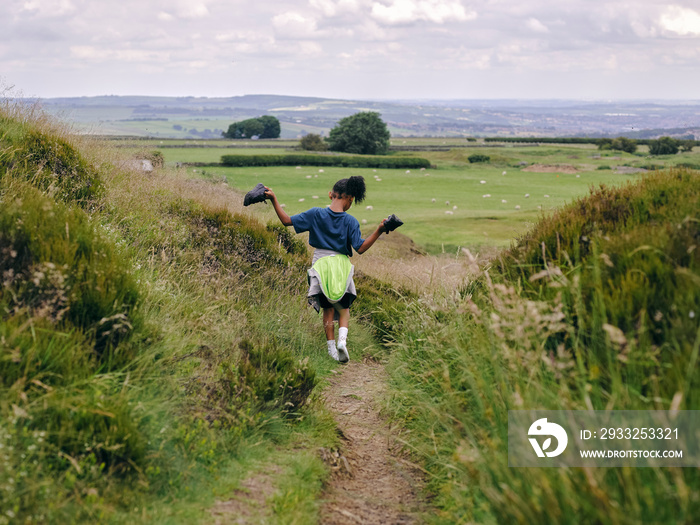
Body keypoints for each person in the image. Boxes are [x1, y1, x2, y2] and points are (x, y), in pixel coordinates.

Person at [264, 176, 386, 363]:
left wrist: (274, 199)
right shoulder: (351, 221)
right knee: (343, 309)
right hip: (341, 266)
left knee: (328, 310)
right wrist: (379, 229)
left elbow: (287, 221)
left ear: (331, 194)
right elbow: (360, 248)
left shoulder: (315, 213)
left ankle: (331, 350)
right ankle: (342, 341)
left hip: (321, 264)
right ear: (350, 198)